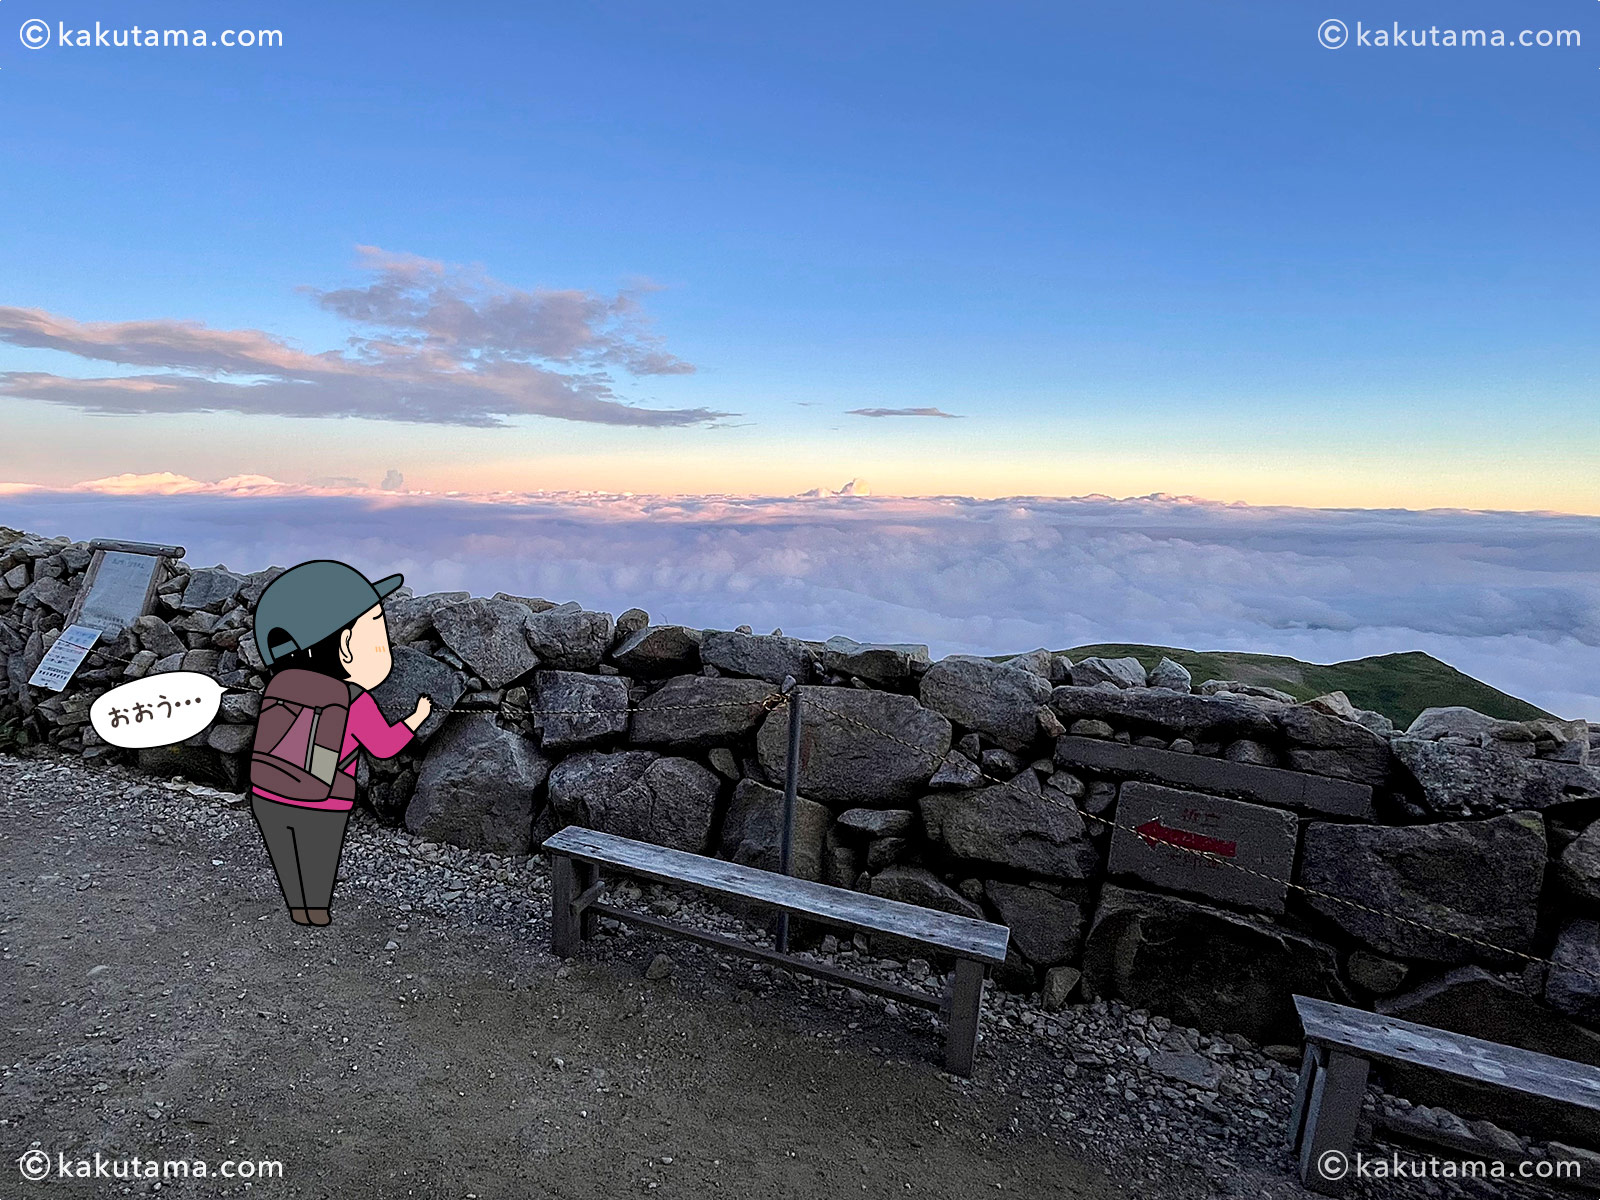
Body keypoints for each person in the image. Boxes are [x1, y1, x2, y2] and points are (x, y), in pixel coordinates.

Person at [247, 561, 431, 926]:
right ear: (346, 646)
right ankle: (312, 909)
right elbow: (383, 747)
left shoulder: (282, 684)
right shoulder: (354, 699)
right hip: (324, 797)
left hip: (267, 791)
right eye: (378, 629)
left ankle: (296, 904)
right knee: (318, 855)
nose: (386, 643)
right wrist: (415, 718)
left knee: (286, 852)